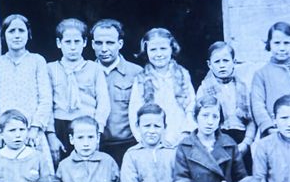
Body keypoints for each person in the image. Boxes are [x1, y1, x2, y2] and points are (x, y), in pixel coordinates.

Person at [0, 14, 55, 158]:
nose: (16, 35)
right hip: (4, 134)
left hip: (31, 133)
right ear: (3, 35)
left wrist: (35, 128)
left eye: (21, 31)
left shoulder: (37, 61)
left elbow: (45, 98)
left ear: (28, 34)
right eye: (11, 31)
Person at [173, 96, 244, 182]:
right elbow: (181, 181)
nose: (209, 122)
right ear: (196, 118)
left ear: (220, 120)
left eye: (215, 117)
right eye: (205, 116)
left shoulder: (229, 144)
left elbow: (240, 178)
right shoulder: (185, 146)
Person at [47, 18, 110, 154]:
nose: (73, 47)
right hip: (60, 125)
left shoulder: (94, 68)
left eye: (77, 42)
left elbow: (103, 102)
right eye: (68, 42)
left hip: (88, 124)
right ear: (59, 43)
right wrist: (51, 134)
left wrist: (98, 131)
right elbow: (47, 103)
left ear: (85, 42)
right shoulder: (51, 69)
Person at [127, 27, 196, 146]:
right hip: (153, 141)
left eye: (163, 49)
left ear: (172, 49)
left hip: (182, 139)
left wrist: (185, 134)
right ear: (146, 51)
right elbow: (134, 111)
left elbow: (191, 106)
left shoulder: (182, 74)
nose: (159, 54)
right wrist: (144, 139)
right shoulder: (141, 79)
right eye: (153, 50)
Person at [91, 18, 142, 168]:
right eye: (99, 43)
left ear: (120, 44)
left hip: (128, 145)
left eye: (110, 43)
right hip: (94, 146)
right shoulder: (85, 72)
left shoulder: (137, 73)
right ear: (93, 44)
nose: (104, 49)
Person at [121, 103, 177, 182]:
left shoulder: (172, 152)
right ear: (137, 127)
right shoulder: (131, 154)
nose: (152, 131)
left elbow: (180, 180)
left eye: (157, 126)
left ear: (165, 127)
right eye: (147, 126)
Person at [194, 41, 255, 160]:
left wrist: (246, 143)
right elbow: (200, 120)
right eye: (217, 61)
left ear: (234, 62)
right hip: (216, 141)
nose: (222, 65)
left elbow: (251, 120)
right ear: (209, 65)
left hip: (241, 140)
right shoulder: (204, 89)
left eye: (226, 61)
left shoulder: (243, 88)